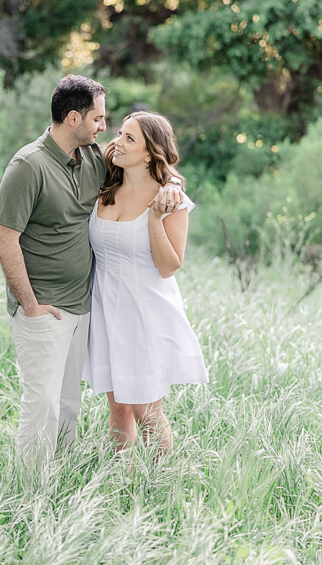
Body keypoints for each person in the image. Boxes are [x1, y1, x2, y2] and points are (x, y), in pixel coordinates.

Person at [0, 75, 183, 466]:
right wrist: (29, 304)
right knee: (42, 401)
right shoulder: (28, 166)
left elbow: (152, 164)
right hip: (44, 306)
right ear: (74, 118)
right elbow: (4, 239)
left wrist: (173, 186)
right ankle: (29, 489)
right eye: (98, 119)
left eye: (108, 122)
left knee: (68, 402)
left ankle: (61, 478)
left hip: (88, 307)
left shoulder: (95, 158)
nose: (104, 128)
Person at [82, 111, 208, 458]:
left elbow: (169, 267)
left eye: (129, 138)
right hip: (104, 308)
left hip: (144, 312)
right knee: (119, 407)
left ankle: (163, 486)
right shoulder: (105, 183)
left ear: (151, 152)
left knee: (147, 412)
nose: (117, 142)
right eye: (120, 134)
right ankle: (122, 483)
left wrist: (155, 216)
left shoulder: (171, 201)